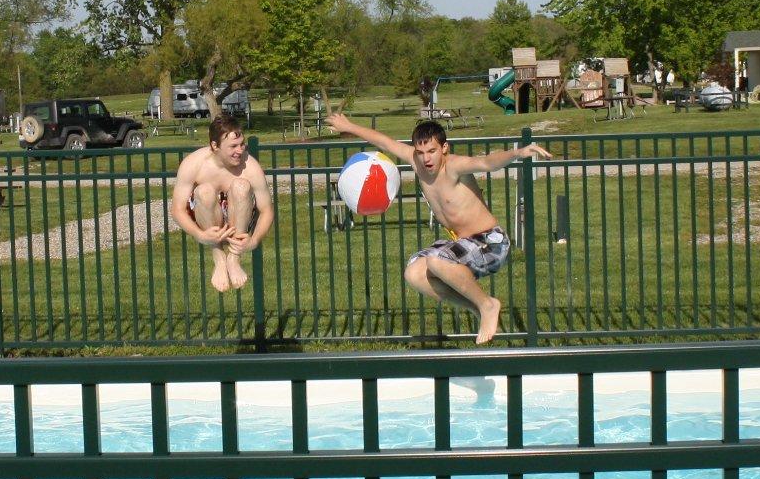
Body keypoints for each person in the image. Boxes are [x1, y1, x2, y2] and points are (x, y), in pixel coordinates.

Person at [325, 113, 550, 344]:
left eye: (432, 151)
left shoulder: (453, 166)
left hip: (490, 243)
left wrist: (517, 153)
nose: (426, 159)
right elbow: (384, 142)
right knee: (414, 273)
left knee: (438, 260)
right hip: (463, 243)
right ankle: (475, 306)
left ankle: (488, 305)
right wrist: (349, 126)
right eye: (420, 153)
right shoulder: (416, 161)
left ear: (444, 148)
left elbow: (485, 162)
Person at [170, 114, 276, 292]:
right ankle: (218, 257)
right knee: (204, 190)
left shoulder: (250, 167)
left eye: (242, 144)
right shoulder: (194, 164)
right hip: (205, 214)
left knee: (241, 186)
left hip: (240, 214)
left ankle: (234, 257)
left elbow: (267, 210)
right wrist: (199, 234)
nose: (240, 151)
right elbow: (177, 209)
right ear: (214, 146)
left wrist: (254, 241)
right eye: (233, 146)